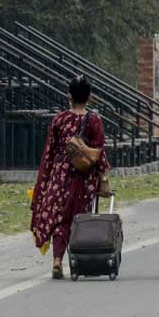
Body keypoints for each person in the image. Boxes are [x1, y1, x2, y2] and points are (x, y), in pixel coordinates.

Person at [31, 75, 110, 279]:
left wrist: (45, 181)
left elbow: (48, 153)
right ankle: (79, 262)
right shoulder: (94, 120)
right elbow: (99, 152)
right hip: (84, 179)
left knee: (60, 219)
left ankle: (57, 260)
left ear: (69, 96)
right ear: (89, 98)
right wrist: (104, 180)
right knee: (79, 220)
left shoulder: (59, 119)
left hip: (59, 176)